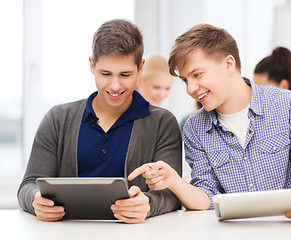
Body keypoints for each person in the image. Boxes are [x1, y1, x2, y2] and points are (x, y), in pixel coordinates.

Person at [128, 23, 291, 223]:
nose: (190, 88)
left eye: (197, 74)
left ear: (228, 64)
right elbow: (207, 197)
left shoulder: (288, 105)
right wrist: (174, 181)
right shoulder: (194, 128)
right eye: (184, 80)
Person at [17, 19, 182, 224]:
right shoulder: (57, 119)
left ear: (140, 68)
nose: (115, 85)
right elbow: (28, 185)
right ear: (91, 65)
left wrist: (148, 203)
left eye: (125, 74)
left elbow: (172, 194)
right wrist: (35, 201)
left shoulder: (162, 123)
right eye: (105, 73)